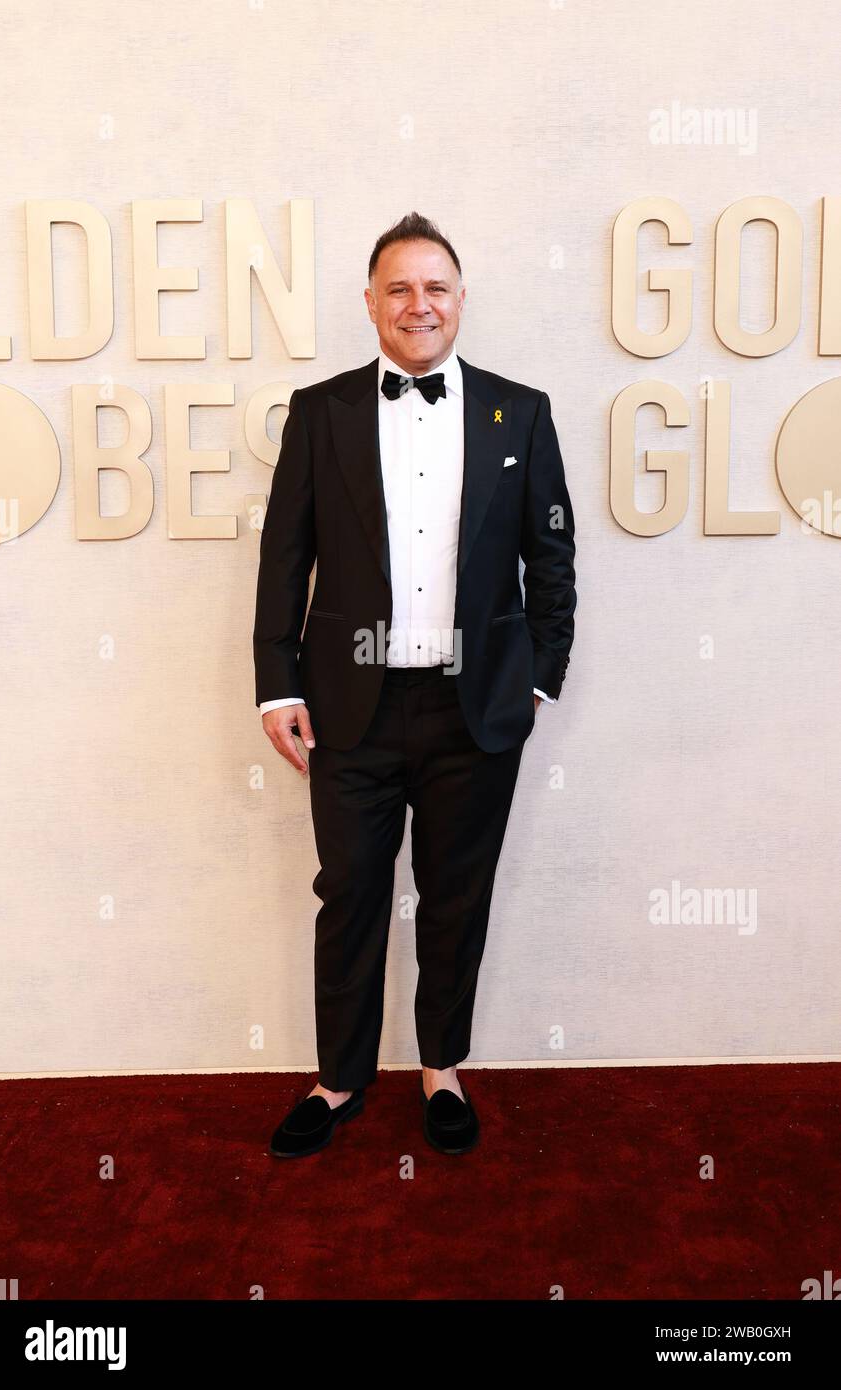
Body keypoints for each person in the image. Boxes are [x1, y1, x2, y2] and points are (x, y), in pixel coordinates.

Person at [253, 211, 576, 1157]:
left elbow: (550, 558)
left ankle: (443, 1071)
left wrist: (538, 683)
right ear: (370, 304)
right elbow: (285, 559)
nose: (418, 303)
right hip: (350, 704)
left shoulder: (523, 410)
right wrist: (278, 686)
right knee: (349, 890)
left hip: (475, 708)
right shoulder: (322, 412)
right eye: (399, 288)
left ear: (460, 300)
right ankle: (339, 1079)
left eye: (436, 286)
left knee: (456, 892)